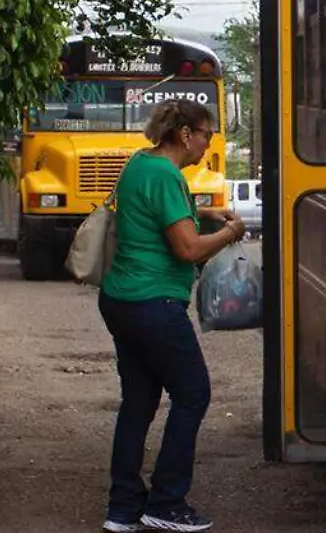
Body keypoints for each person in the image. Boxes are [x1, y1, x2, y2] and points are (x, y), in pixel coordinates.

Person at [98, 99, 246, 533]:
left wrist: (202, 213)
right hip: (154, 303)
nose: (207, 143)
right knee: (193, 393)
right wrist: (229, 232)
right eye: (206, 134)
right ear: (185, 134)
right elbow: (187, 249)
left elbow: (151, 213)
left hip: (121, 300)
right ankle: (166, 501)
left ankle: (122, 509)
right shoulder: (166, 174)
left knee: (139, 403)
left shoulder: (141, 165)